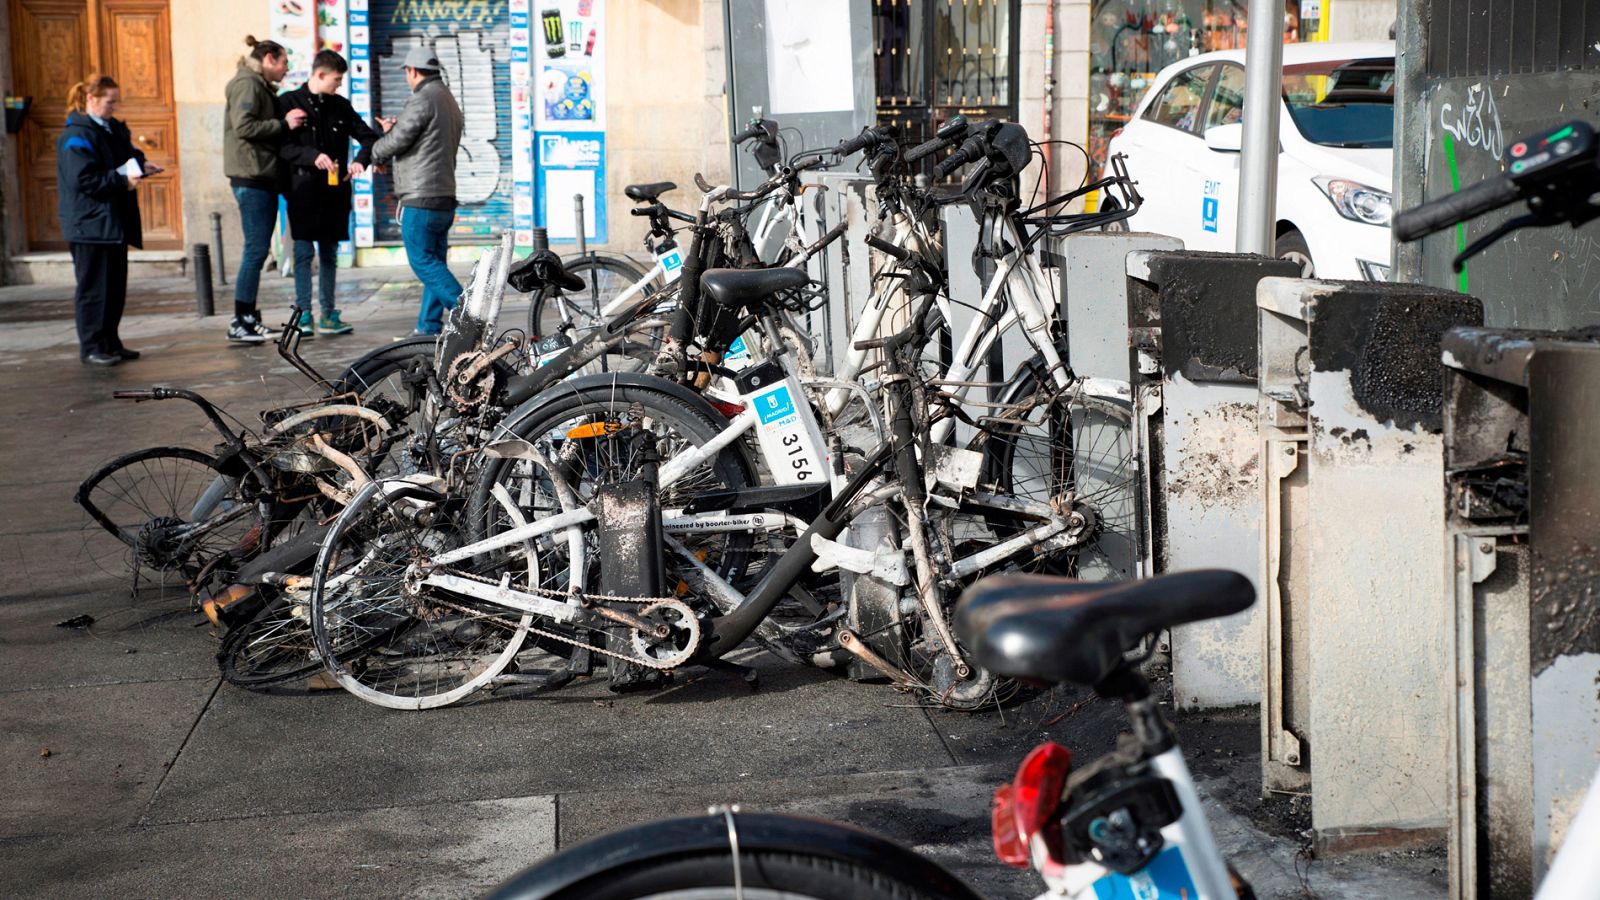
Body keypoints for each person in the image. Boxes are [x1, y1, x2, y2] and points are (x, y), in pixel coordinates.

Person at [57, 75, 161, 367]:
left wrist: (142, 165)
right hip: (89, 223)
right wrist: (121, 180)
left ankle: (111, 341)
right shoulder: (76, 134)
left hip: (113, 222)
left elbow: (126, 155)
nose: (114, 107)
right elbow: (83, 178)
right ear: (91, 99)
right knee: (93, 288)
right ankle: (91, 345)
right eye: (109, 101)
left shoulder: (111, 128)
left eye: (115, 101)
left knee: (114, 286)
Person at [275, 49, 378, 337]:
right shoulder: (288, 103)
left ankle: (329, 314)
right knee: (304, 252)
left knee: (330, 253)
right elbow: (280, 146)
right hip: (302, 191)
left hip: (334, 193)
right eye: (336, 79)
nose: (339, 85)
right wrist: (311, 156)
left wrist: (359, 161)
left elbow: (368, 137)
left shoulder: (340, 106)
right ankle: (303, 314)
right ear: (320, 75)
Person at [371, 46, 464, 337]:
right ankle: (427, 327)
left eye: (407, 74)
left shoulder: (422, 98)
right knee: (435, 262)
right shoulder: (448, 99)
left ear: (412, 71)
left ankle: (468, 313)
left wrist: (376, 151)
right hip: (443, 195)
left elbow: (399, 139)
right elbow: (424, 139)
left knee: (422, 261)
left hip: (421, 197)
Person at [223, 35, 306, 344]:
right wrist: (283, 124)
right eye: (284, 62)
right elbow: (243, 126)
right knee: (255, 249)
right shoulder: (247, 84)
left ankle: (249, 317)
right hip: (252, 176)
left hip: (261, 175)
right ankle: (240, 319)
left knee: (258, 250)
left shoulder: (257, 84)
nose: (287, 69)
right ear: (269, 59)